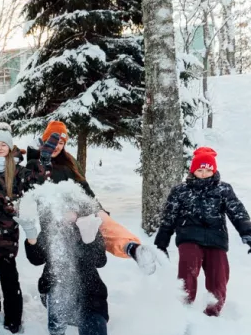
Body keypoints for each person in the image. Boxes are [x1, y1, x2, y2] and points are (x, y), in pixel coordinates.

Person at [28, 120, 160, 274]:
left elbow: (85, 189)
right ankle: (53, 292)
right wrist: (44, 161)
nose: (57, 146)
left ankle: (132, 248)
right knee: (64, 264)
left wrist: (98, 209)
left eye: (61, 142)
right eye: (53, 141)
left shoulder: (70, 162)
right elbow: (34, 185)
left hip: (80, 211)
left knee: (102, 224)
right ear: (45, 140)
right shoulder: (34, 163)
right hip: (57, 217)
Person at [155, 147, 251, 316]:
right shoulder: (180, 191)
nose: (204, 173)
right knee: (188, 270)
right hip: (189, 237)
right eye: (200, 170)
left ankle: (213, 311)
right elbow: (168, 218)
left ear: (214, 170)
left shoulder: (223, 190)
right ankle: (183, 308)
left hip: (216, 238)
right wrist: (161, 243)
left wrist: (247, 233)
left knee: (219, 276)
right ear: (193, 171)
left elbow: (237, 212)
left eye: (208, 170)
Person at [20, 192, 109, 335]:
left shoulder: (89, 226)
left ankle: (77, 318)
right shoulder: (52, 231)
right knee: (60, 292)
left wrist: (89, 240)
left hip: (89, 295)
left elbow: (101, 261)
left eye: (71, 210)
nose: (67, 214)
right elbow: (36, 259)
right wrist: (31, 237)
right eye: (62, 210)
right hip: (55, 292)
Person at [0, 129, 53, 333]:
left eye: (3, 145)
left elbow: (38, 181)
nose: (0, 148)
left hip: (7, 233)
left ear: (10, 147)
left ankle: (13, 320)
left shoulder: (18, 171)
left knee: (8, 275)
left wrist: (43, 160)